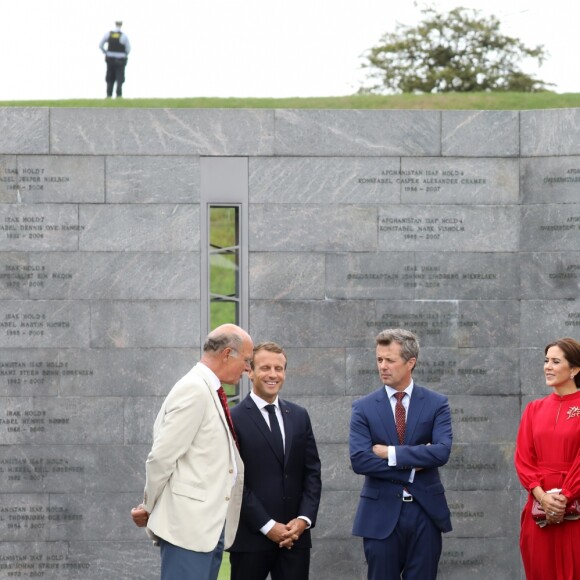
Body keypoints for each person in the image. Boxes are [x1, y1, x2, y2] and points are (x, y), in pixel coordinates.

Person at [130, 323, 253, 580]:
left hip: (207, 529)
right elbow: (162, 457)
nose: (248, 369)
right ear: (227, 354)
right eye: (247, 360)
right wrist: (149, 506)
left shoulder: (208, 388)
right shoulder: (194, 389)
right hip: (188, 530)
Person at [349, 328, 453, 580]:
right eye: (379, 359)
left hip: (425, 513)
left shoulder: (436, 403)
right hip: (380, 516)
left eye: (390, 360)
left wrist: (391, 453)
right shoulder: (363, 408)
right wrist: (412, 464)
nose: (382, 366)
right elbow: (360, 459)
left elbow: (440, 452)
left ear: (410, 363)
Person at [228, 341, 322, 580]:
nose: (273, 374)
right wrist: (268, 526)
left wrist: (303, 520)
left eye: (278, 368)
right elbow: (233, 479)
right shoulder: (233, 418)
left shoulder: (299, 416)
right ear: (250, 372)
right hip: (250, 539)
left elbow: (312, 473)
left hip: (295, 540)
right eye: (265, 368)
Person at [514, 337, 580, 579]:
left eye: (555, 361)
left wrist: (565, 498)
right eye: (546, 361)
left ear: (574, 369)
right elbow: (523, 458)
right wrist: (541, 496)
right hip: (538, 510)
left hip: (576, 509)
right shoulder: (534, 409)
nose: (548, 367)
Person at [99, 20, 131, 98]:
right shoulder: (124, 36)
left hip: (110, 59)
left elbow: (100, 45)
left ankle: (109, 95)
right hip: (120, 60)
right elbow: (128, 48)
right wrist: (124, 54)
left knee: (110, 77)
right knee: (119, 77)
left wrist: (105, 52)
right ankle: (119, 95)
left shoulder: (108, 34)